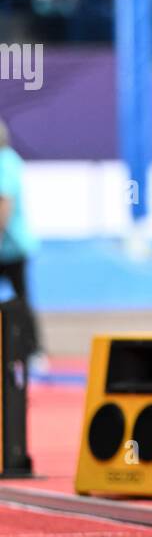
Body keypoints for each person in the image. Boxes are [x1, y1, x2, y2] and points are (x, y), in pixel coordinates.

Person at [0, 119, 41, 361]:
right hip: (13, 245)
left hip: (11, 246)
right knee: (22, 298)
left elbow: (4, 203)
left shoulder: (5, 162)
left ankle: (32, 351)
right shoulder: (10, 160)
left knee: (21, 300)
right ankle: (32, 350)